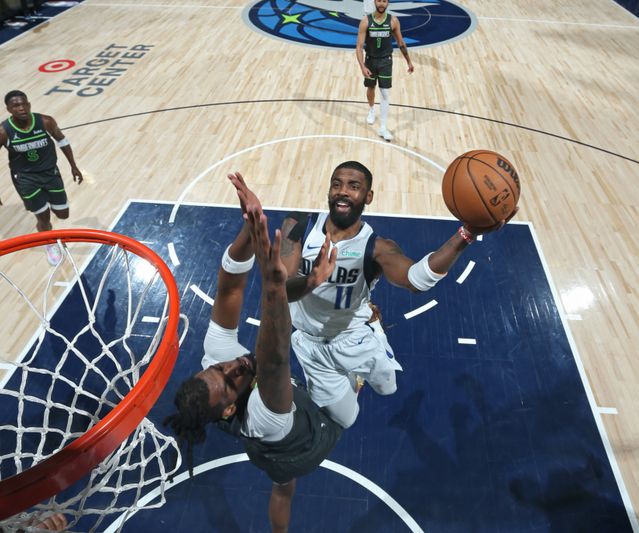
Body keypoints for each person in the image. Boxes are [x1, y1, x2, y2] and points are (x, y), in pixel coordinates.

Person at [164, 173, 343, 533]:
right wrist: (293, 283)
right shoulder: (265, 414)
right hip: (306, 443)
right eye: (230, 379)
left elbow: (229, 287)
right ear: (230, 407)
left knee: (281, 487)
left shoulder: (218, 362)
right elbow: (273, 349)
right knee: (343, 391)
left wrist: (249, 226)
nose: (233, 365)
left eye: (219, 367)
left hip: (266, 453)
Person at [279, 161, 517, 429]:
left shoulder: (378, 248)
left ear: (368, 197)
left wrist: (467, 234)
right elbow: (281, 289)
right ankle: (348, 376)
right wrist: (314, 279)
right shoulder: (298, 225)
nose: (343, 191)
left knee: (387, 387)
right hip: (309, 343)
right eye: (337, 184)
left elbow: (418, 280)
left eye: (354, 186)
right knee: (345, 420)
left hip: (352, 336)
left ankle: (375, 330)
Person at [0, 90, 83, 265]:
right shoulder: (1, 132)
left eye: (23, 104)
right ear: (8, 109)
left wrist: (74, 166)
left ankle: (47, 227)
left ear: (29, 105)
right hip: (25, 179)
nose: (21, 108)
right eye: (16, 106)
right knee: (43, 217)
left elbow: (62, 141)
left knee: (63, 214)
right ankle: (49, 242)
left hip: (51, 173)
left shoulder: (45, 121)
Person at [355, 0, 413, 142]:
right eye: (379, 1)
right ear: (375, 2)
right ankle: (371, 109)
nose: (381, 4)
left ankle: (383, 127)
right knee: (370, 88)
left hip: (386, 61)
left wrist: (409, 61)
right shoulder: (365, 22)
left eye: (384, 1)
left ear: (387, 3)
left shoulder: (393, 21)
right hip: (370, 60)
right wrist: (362, 66)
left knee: (385, 93)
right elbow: (359, 46)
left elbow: (401, 43)